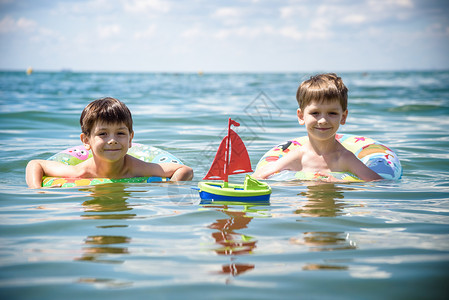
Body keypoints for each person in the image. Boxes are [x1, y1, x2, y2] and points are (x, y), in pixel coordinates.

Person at [26, 97, 193, 188]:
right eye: (103, 134)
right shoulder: (78, 172)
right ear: (86, 141)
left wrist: (171, 186)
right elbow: (35, 164)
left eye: (120, 133)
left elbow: (184, 170)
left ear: (130, 139)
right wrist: (37, 192)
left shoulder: (137, 168)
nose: (112, 141)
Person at [253, 73, 382, 181]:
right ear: (301, 116)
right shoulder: (298, 156)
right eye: (315, 113)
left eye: (332, 113)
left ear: (343, 117)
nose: (323, 120)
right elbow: (259, 176)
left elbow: (379, 183)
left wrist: (342, 184)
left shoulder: (344, 158)